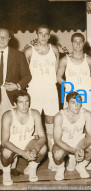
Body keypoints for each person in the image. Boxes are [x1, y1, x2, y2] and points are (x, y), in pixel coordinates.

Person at [57, 32, 91, 172]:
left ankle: (84, 158)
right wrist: (69, 88)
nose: (78, 44)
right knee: (69, 126)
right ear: (71, 43)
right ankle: (72, 157)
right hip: (70, 97)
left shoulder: (90, 59)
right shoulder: (65, 60)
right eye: (75, 42)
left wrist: (87, 88)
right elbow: (58, 77)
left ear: (84, 43)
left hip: (86, 97)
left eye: (80, 42)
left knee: (87, 128)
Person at [24, 25, 60, 171]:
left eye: (46, 34)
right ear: (36, 35)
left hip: (50, 90)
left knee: (50, 126)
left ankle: (51, 158)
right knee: (34, 127)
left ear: (49, 36)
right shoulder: (29, 51)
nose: (43, 37)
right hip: (34, 91)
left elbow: (56, 71)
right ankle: (32, 161)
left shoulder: (55, 50)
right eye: (41, 34)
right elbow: (26, 73)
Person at [0, 27, 32, 176]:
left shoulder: (18, 55)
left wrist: (17, 86)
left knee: (11, 129)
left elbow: (27, 76)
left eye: (5, 37)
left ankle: (12, 166)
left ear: (10, 38)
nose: (2, 40)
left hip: (11, 94)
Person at [1, 90, 47, 186]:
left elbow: (42, 137)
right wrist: (22, 153)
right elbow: (4, 141)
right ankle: (6, 172)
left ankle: (32, 167)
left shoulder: (34, 113)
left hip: (27, 142)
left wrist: (35, 149)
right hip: (11, 143)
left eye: (27, 101)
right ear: (15, 104)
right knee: (5, 152)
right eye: (21, 102)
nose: (25, 105)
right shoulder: (8, 115)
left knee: (43, 148)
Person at [53, 92, 91, 181]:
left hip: (79, 141)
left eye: (79, 102)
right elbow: (57, 140)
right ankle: (60, 168)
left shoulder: (86, 114)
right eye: (73, 102)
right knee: (58, 154)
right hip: (64, 143)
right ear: (66, 104)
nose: (77, 105)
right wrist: (74, 150)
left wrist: (80, 147)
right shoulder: (59, 116)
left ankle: (81, 166)